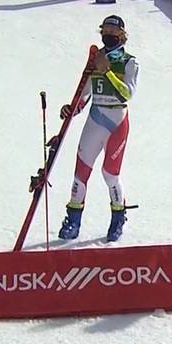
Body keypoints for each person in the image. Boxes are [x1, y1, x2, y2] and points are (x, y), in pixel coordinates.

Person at [58, 15, 139, 242]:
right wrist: (72, 108)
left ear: (122, 35)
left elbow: (128, 93)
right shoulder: (96, 59)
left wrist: (108, 72)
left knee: (110, 174)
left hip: (117, 122)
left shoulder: (129, 61)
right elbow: (84, 94)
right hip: (95, 118)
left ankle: (117, 217)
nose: (109, 35)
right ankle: (73, 221)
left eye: (114, 31)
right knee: (80, 174)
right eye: (105, 30)